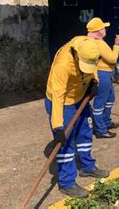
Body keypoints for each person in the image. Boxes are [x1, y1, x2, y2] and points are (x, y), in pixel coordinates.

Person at [45, 36, 109, 198]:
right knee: (66, 143)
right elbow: (58, 97)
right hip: (63, 102)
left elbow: (93, 65)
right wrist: (58, 126)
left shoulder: (90, 46)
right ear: (75, 55)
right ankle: (67, 183)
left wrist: (94, 81)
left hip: (80, 97)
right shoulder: (63, 64)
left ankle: (87, 167)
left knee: (85, 132)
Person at [86, 17, 119, 139]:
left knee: (110, 98)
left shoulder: (94, 41)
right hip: (102, 74)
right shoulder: (99, 43)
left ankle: (106, 122)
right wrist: (116, 45)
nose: (105, 29)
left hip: (106, 73)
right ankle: (100, 129)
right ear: (99, 31)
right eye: (103, 28)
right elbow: (112, 58)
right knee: (100, 103)